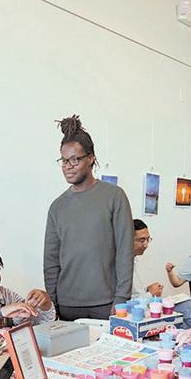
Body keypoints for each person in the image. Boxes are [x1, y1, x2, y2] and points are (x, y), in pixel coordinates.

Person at [43, 114, 134, 321]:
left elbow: (125, 251)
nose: (68, 166)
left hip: (107, 303)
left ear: (91, 158)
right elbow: (51, 260)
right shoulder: (57, 207)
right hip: (67, 305)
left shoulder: (114, 196)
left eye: (75, 159)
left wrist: (122, 298)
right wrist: (53, 304)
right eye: (64, 160)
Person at [132, 219, 191, 328]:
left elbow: (135, 293)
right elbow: (128, 303)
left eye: (148, 239)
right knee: (188, 306)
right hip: (140, 312)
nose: (146, 245)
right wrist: (150, 294)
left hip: (146, 303)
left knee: (187, 318)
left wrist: (147, 290)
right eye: (142, 240)